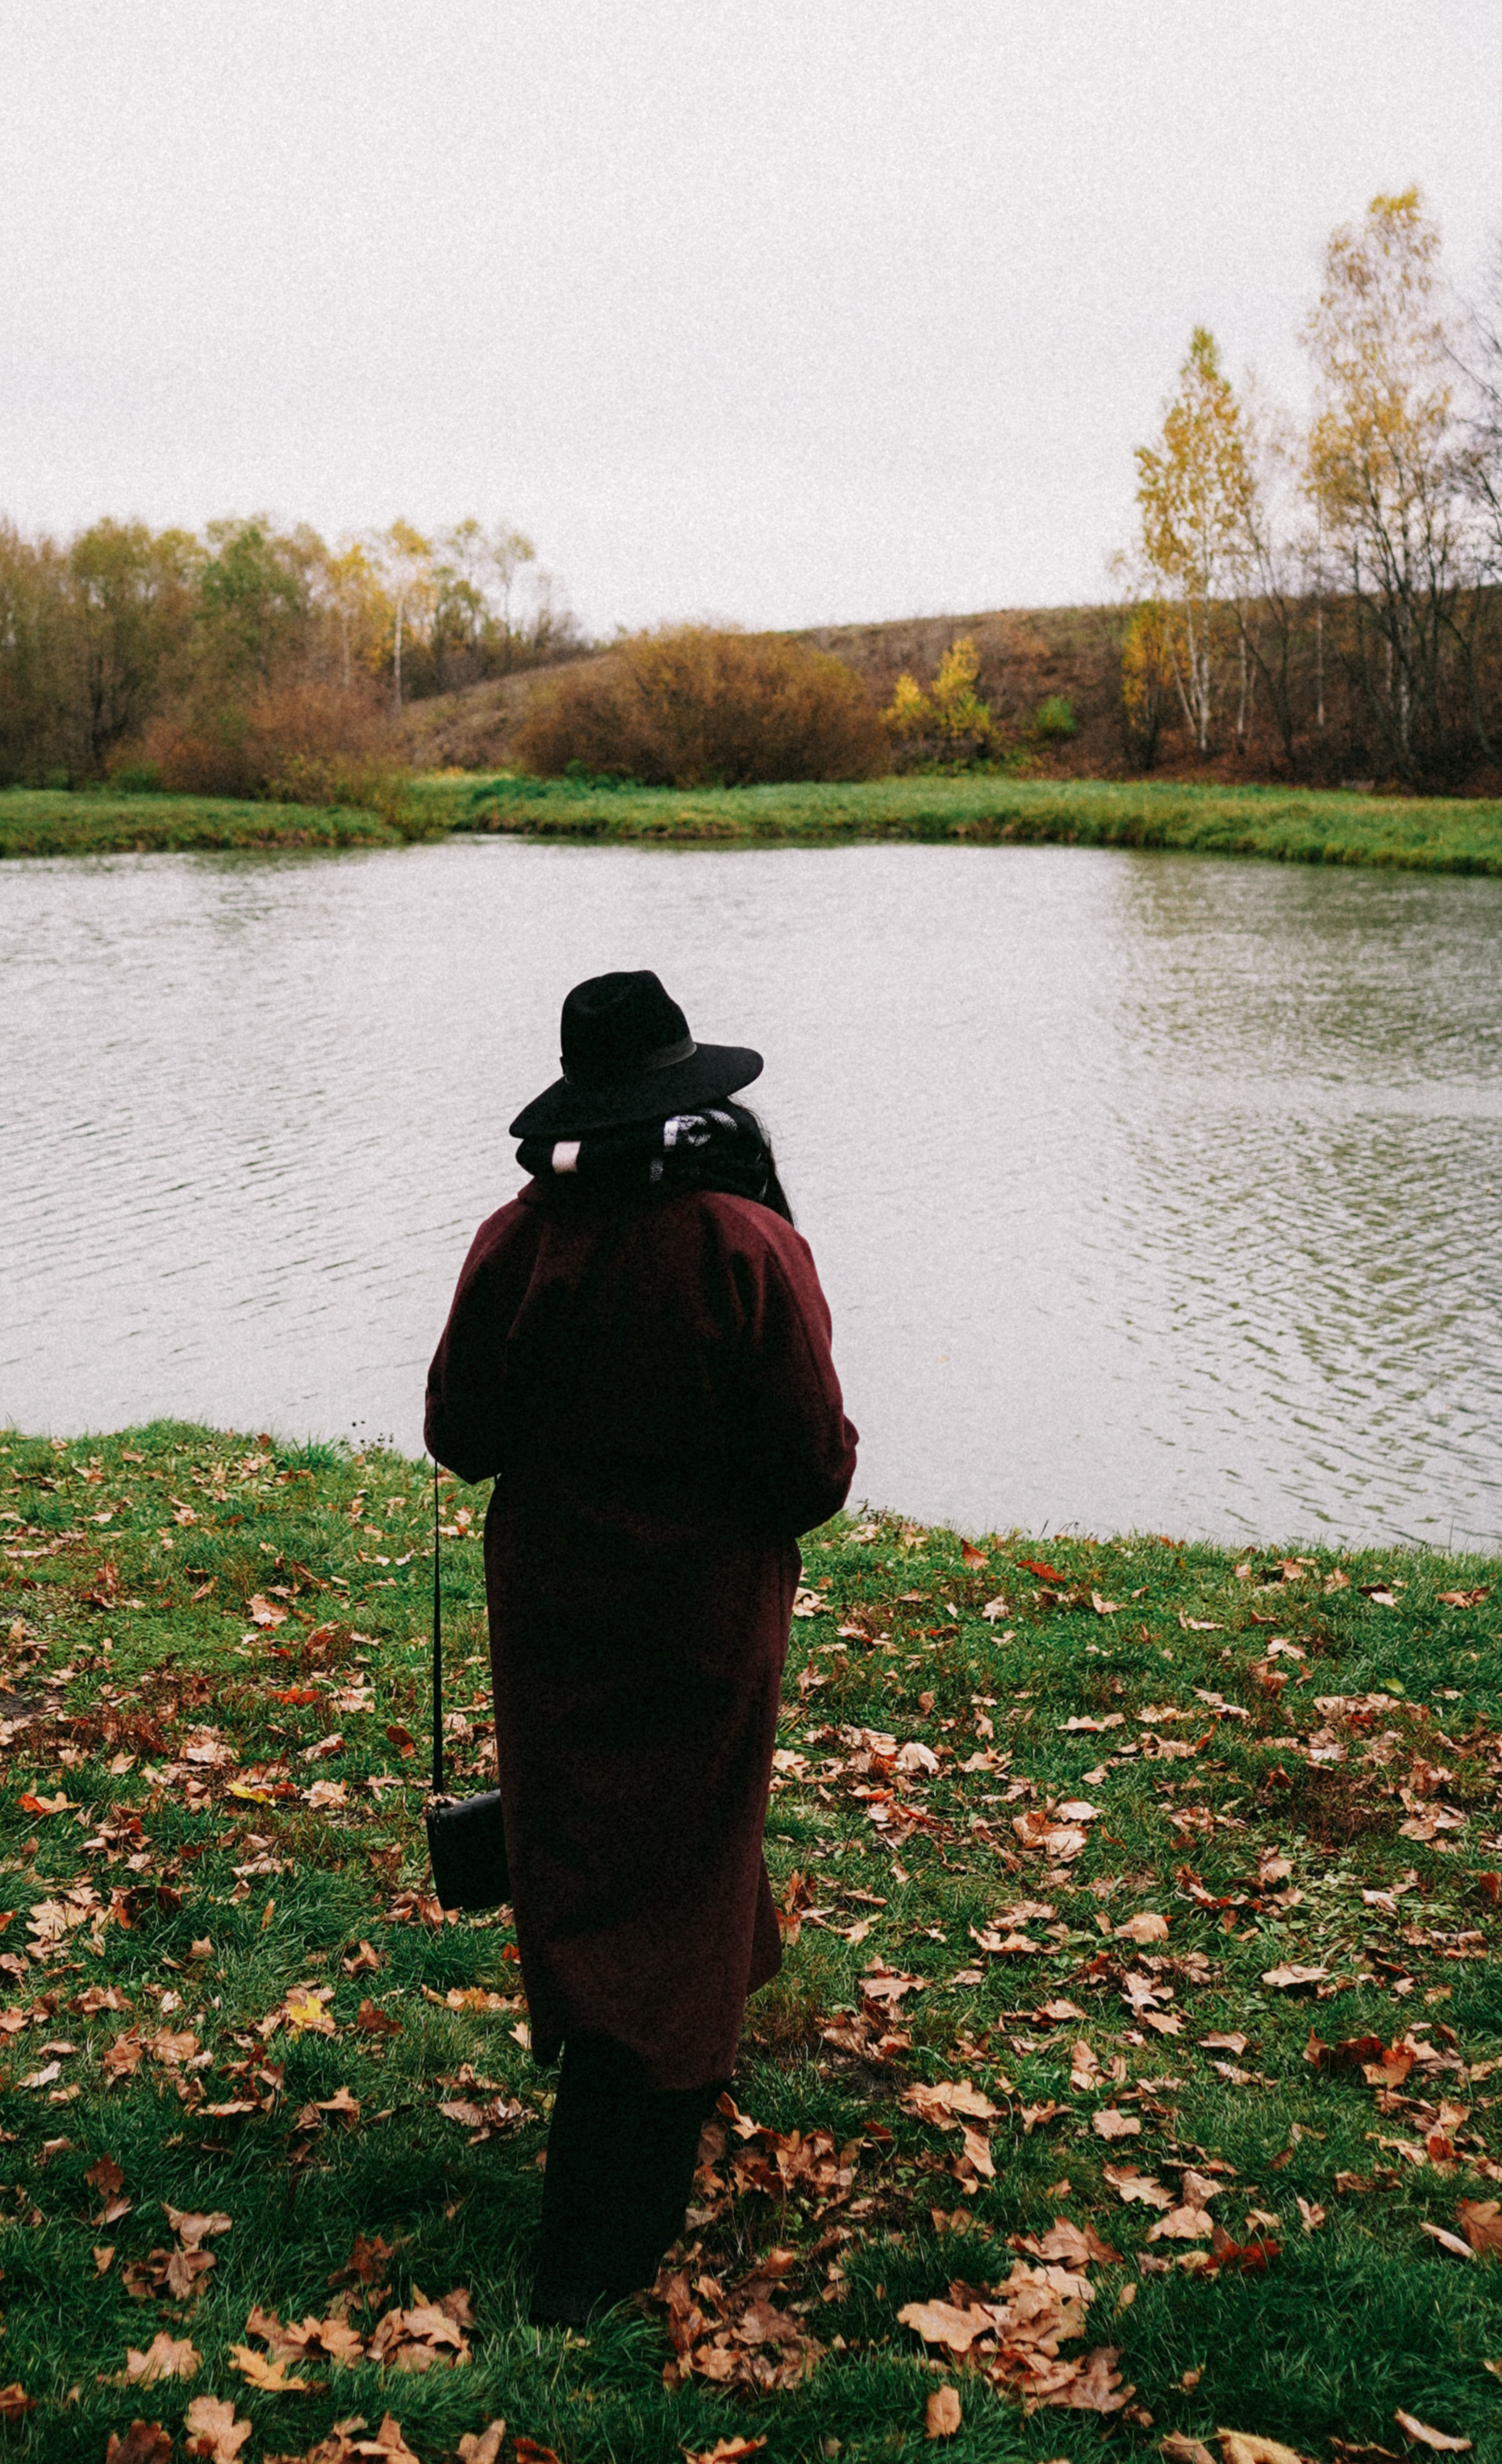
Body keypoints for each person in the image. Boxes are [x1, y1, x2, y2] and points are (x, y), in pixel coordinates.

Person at [424, 967, 857, 2326]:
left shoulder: (516, 1237)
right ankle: (602, 2237)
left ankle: (665, 2081)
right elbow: (812, 1471)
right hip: (704, 1617)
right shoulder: (744, 1241)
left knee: (599, 1850)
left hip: (555, 1614)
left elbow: (459, 1436)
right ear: (690, 1103)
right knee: (677, 1863)